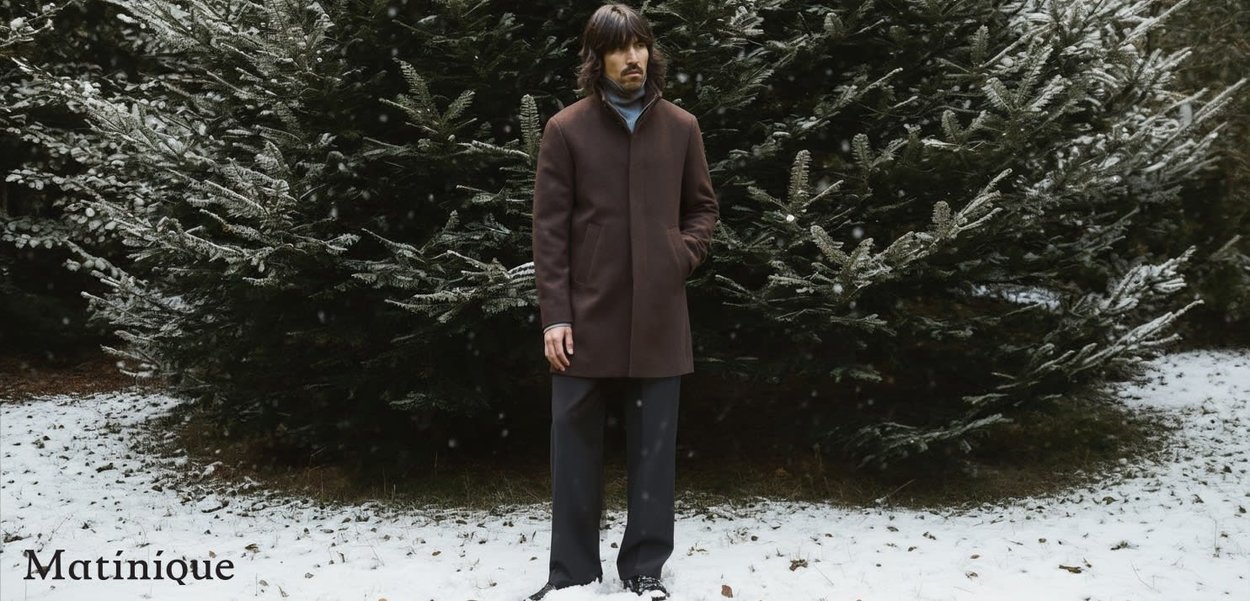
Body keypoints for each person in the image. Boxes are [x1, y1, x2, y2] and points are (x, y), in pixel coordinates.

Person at [526, 3, 719, 599]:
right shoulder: (566, 130)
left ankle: (643, 571)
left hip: (660, 314)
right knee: (574, 451)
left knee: (654, 455)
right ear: (598, 58)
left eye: (639, 45)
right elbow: (549, 231)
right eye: (618, 48)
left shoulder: (682, 127)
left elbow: (703, 208)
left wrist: (678, 253)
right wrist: (556, 316)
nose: (632, 58)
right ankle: (572, 575)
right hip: (584, 317)